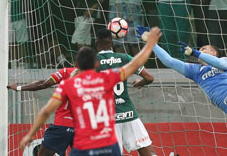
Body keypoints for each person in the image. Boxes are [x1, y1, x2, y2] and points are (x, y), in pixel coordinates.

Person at [19, 27, 162, 155]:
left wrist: (30, 134)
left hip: (84, 143)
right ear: (95, 64)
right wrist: (150, 44)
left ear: (77, 65)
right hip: (107, 141)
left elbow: (45, 111)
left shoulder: (68, 85)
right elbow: (136, 64)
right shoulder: (107, 78)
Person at [96, 29, 156, 156]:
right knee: (146, 150)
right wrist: (140, 83)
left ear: (96, 42)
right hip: (128, 113)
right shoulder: (125, 58)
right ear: (111, 42)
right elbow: (149, 78)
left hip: (107, 117)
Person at [8, 68, 79, 155]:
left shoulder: (67, 72)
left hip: (62, 126)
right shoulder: (96, 81)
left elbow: (43, 84)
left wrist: (18, 87)